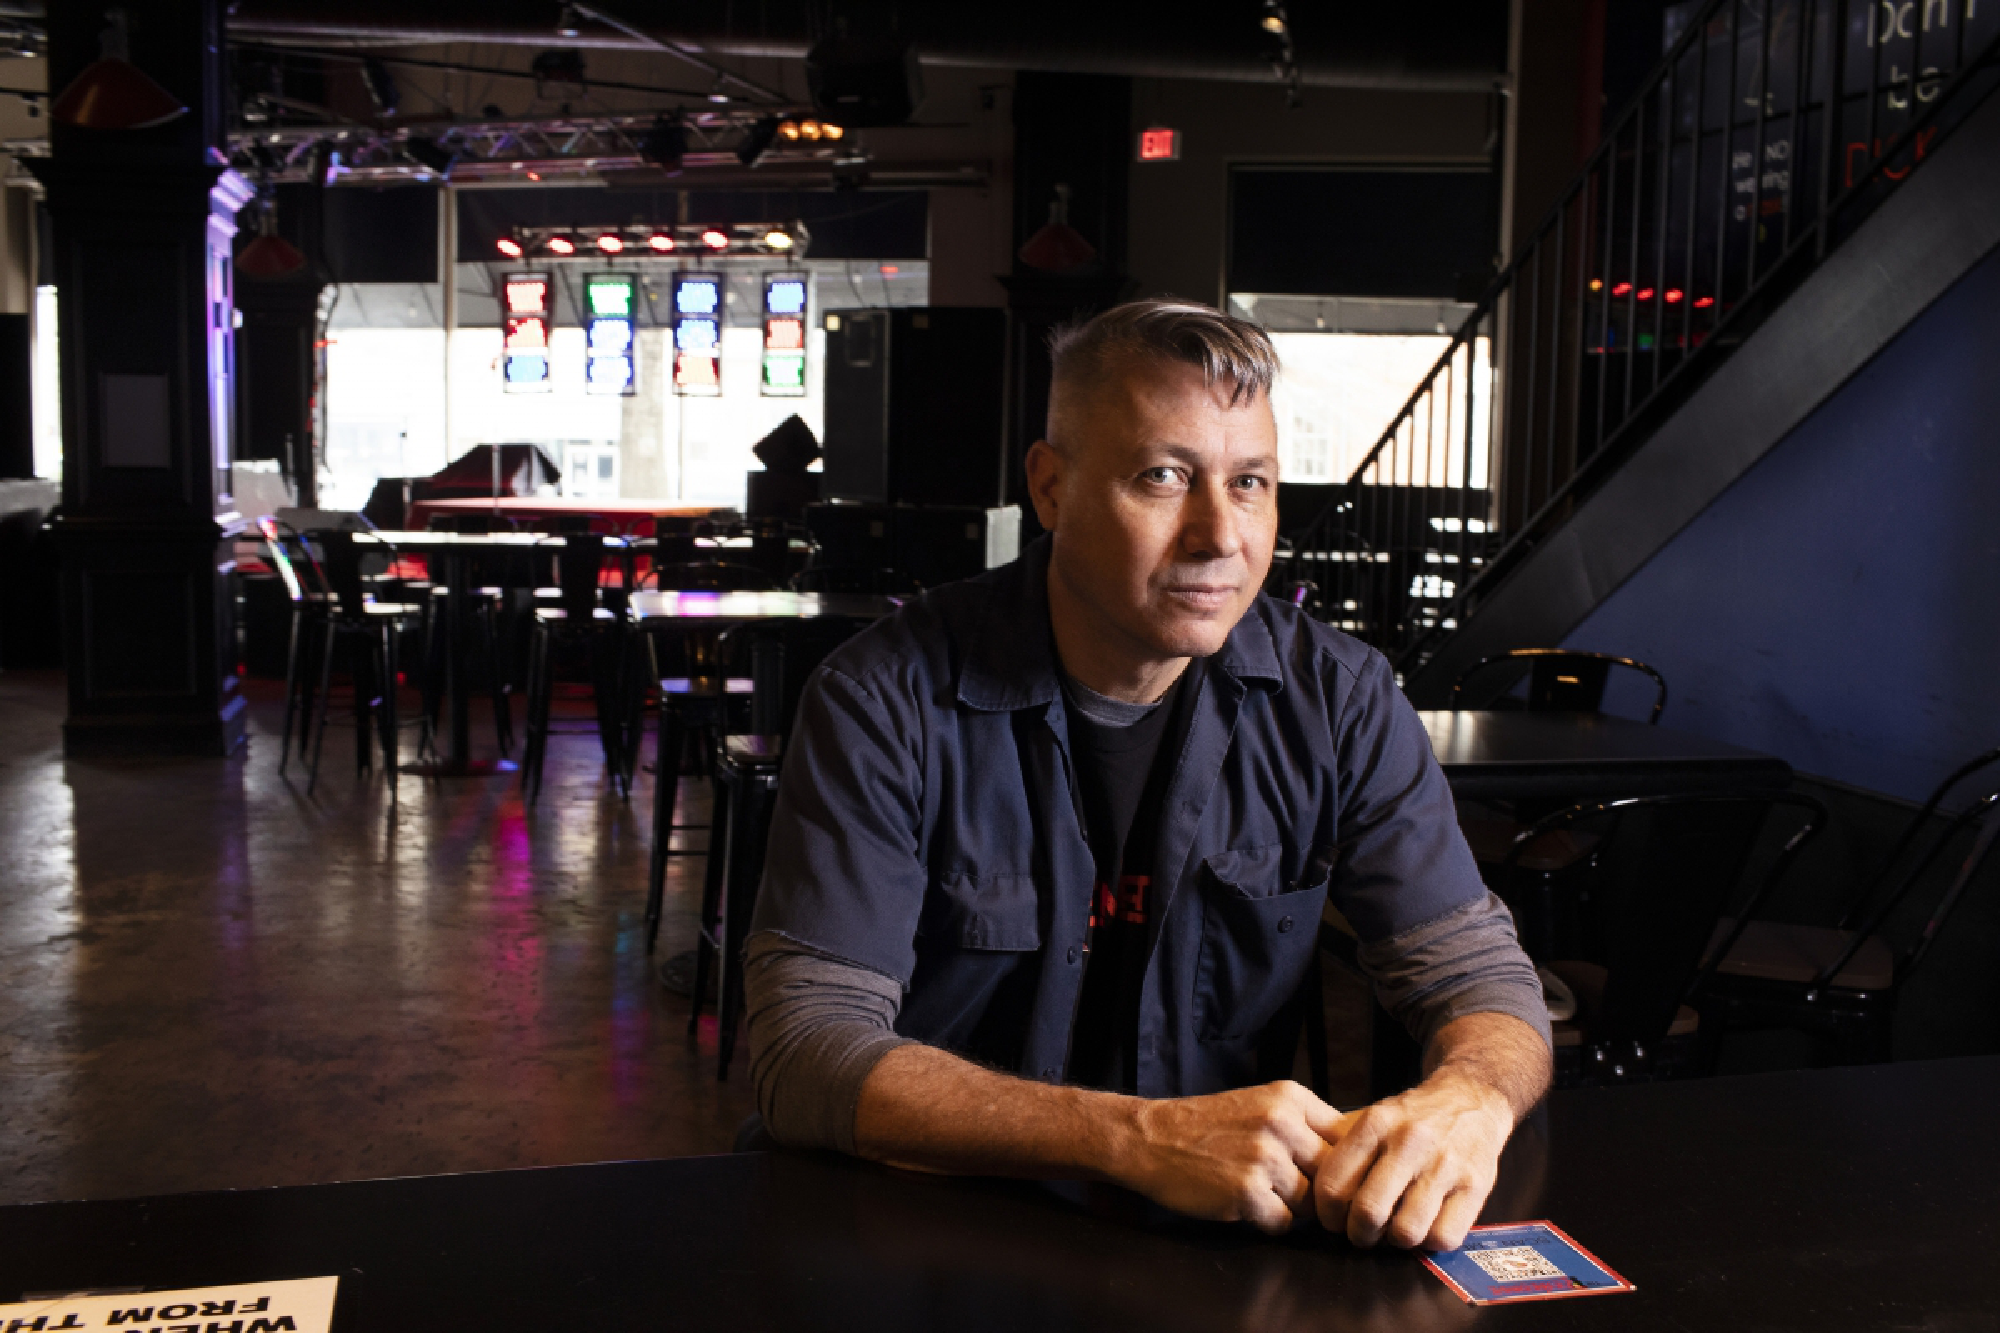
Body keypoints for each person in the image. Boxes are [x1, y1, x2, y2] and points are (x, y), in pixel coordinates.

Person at [742, 300, 1551, 1250]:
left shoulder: (1341, 699)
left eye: (1249, 482)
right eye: (1163, 476)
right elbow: (805, 1049)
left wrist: (1472, 1095)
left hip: (1203, 1248)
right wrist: (1135, 1138)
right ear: (1051, 488)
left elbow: (1478, 974)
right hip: (919, 1235)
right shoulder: (883, 698)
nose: (1219, 534)